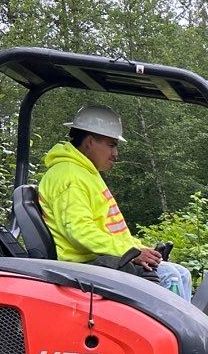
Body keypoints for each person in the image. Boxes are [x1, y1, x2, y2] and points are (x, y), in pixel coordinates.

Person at [38, 104, 194, 302]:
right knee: (169, 276)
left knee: (181, 273)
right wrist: (131, 253)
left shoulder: (84, 172)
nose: (115, 154)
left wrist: (141, 249)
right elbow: (80, 231)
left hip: (97, 259)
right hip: (82, 264)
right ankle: (173, 323)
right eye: (112, 145)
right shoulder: (70, 176)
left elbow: (108, 231)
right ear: (90, 141)